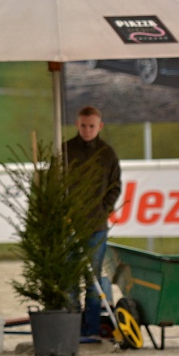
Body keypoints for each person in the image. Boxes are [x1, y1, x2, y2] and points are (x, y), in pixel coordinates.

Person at [64, 105, 122, 338]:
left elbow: (115, 186)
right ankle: (71, 328)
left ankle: (91, 330)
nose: (87, 130)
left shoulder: (108, 154)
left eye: (92, 126)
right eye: (84, 125)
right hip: (69, 225)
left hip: (96, 227)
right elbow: (56, 183)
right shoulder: (66, 150)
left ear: (100, 126)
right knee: (69, 277)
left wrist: (103, 210)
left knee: (93, 279)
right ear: (77, 125)